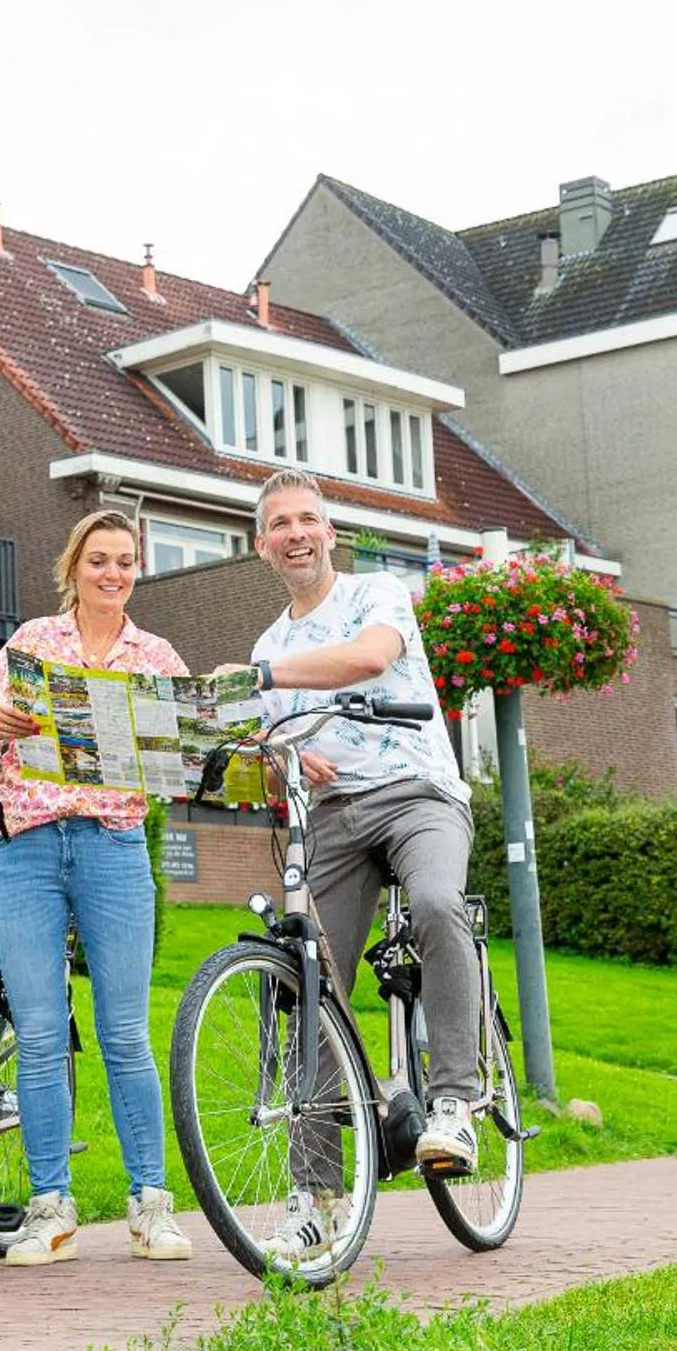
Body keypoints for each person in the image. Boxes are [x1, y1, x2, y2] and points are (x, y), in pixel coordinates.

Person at [236, 469, 480, 1264]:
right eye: (282, 523)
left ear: (330, 532)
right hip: (333, 818)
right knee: (300, 976)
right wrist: (280, 762)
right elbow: (272, 758)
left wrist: (267, 683)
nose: (298, 533)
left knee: (440, 904)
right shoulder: (267, 644)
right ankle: (318, 1194)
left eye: (310, 518)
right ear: (262, 544)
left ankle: (453, 1101)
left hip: (417, 791)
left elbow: (370, 659)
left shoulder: (380, 593)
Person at [0, 509, 191, 1265]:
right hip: (23, 851)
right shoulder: (31, 642)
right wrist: (1, 724)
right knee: (44, 1034)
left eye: (125, 561)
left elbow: (190, 756)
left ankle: (151, 1204)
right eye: (98, 561)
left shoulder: (154, 654)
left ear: (136, 571)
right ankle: (50, 1208)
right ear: (74, 568)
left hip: (113, 849)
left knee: (124, 1033)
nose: (112, 573)